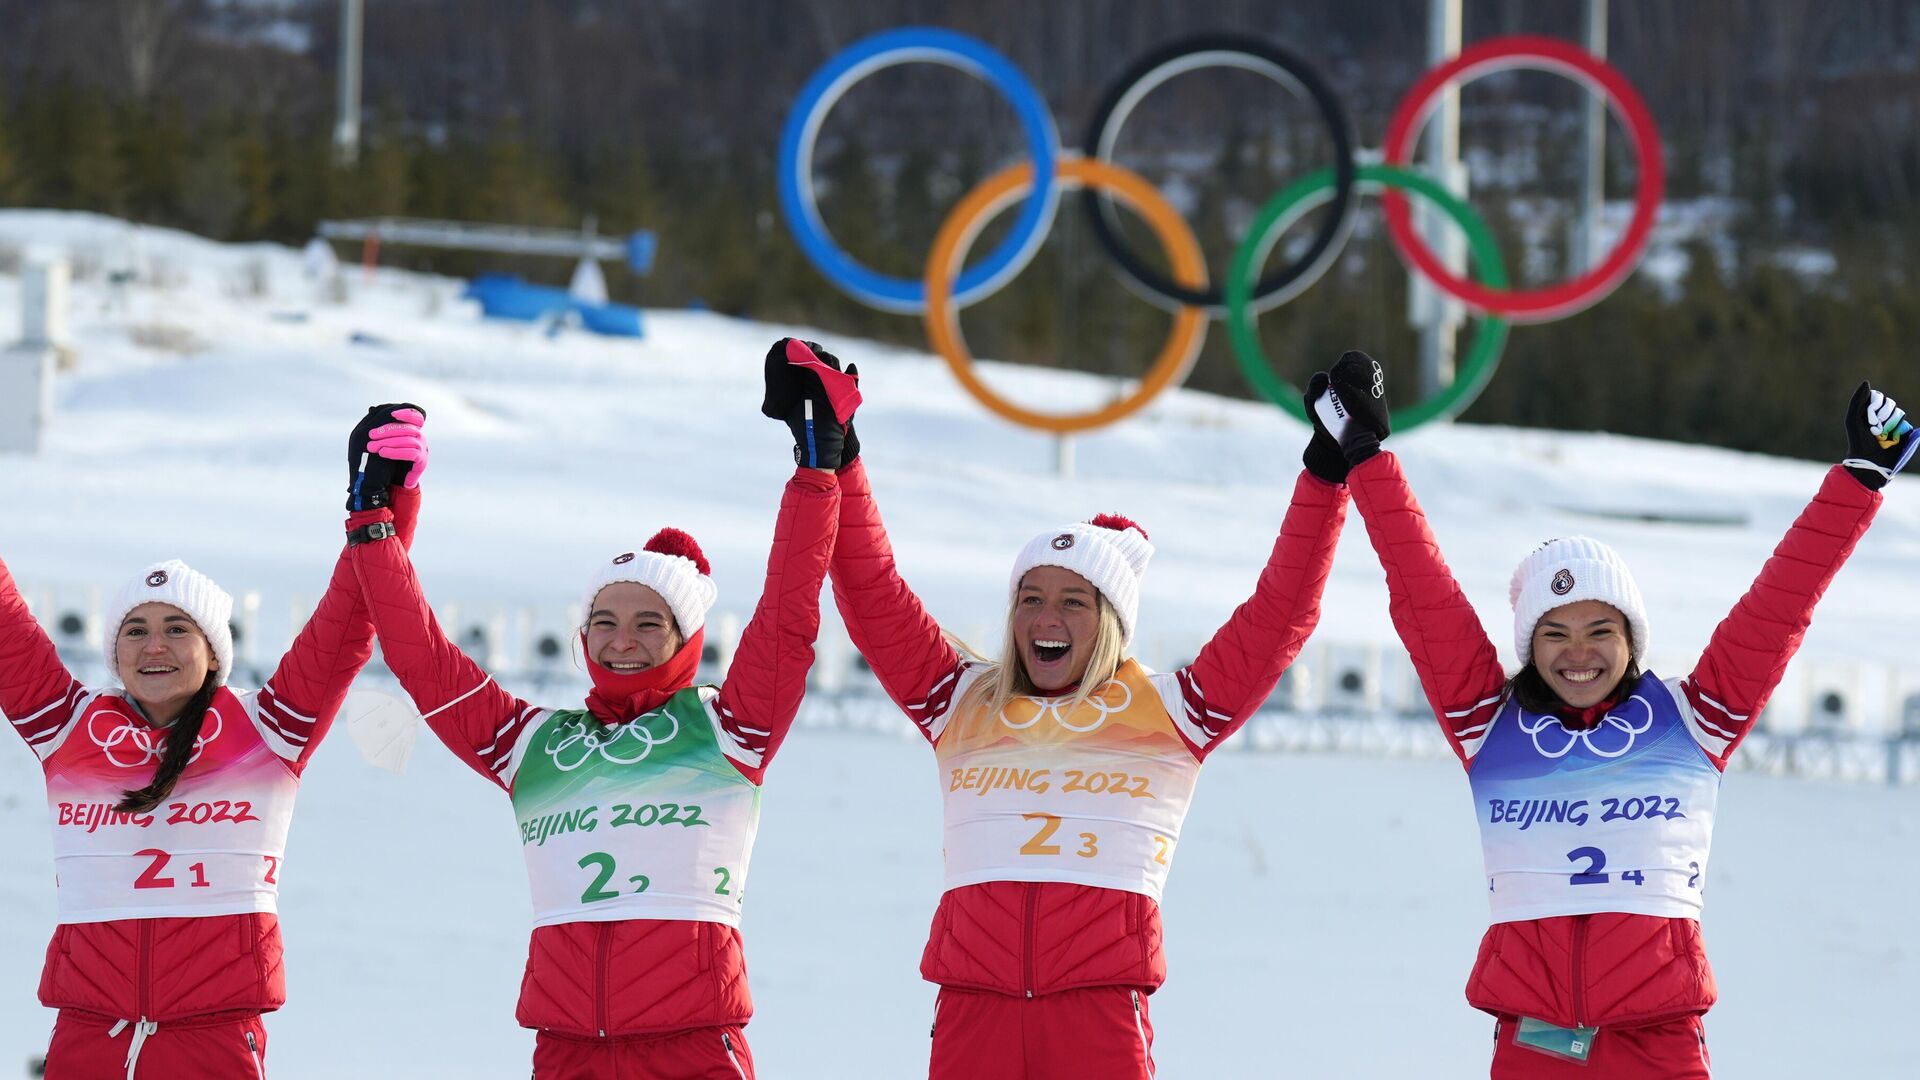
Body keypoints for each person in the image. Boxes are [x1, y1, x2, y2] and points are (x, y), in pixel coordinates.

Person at [1315, 349, 1913, 1078]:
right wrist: (1368, 458)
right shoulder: (1487, 724)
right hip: (1533, 1043)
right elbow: (1423, 594)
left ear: (1632, 642)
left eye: (1601, 631)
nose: (1578, 655)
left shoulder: (1696, 720)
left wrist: (1860, 480)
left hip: (1659, 1045)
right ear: (1528, 647)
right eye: (1554, 634)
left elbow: (1779, 606)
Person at [811, 340, 1353, 1079]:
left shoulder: (1172, 712)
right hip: (973, 1011)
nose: (1045, 619)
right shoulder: (960, 699)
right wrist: (842, 458)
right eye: (1030, 599)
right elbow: (872, 592)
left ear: (1113, 624)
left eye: (1073, 602)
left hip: (1097, 1015)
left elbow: (1281, 613)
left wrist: (1325, 474)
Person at [346, 338, 850, 1079]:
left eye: (649, 623)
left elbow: (786, 615)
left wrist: (817, 475)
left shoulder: (729, 729)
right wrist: (374, 528)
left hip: (693, 1047)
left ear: (687, 637)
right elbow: (424, 660)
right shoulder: (533, 745)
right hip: (567, 1049)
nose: (622, 642)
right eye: (604, 623)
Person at [1, 404, 429, 1078]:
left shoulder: (270, 727)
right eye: (135, 630)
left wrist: (382, 509)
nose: (154, 645)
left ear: (212, 648)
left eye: (177, 627)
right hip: (86, 1039)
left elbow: (349, 620)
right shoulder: (67, 727)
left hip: (213, 1042)